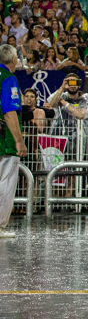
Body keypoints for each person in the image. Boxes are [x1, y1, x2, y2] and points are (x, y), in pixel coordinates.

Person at [0, 45, 28, 238]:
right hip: (5, 140)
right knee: (6, 181)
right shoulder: (8, 78)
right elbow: (9, 111)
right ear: (11, 58)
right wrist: (19, 141)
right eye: (17, 56)